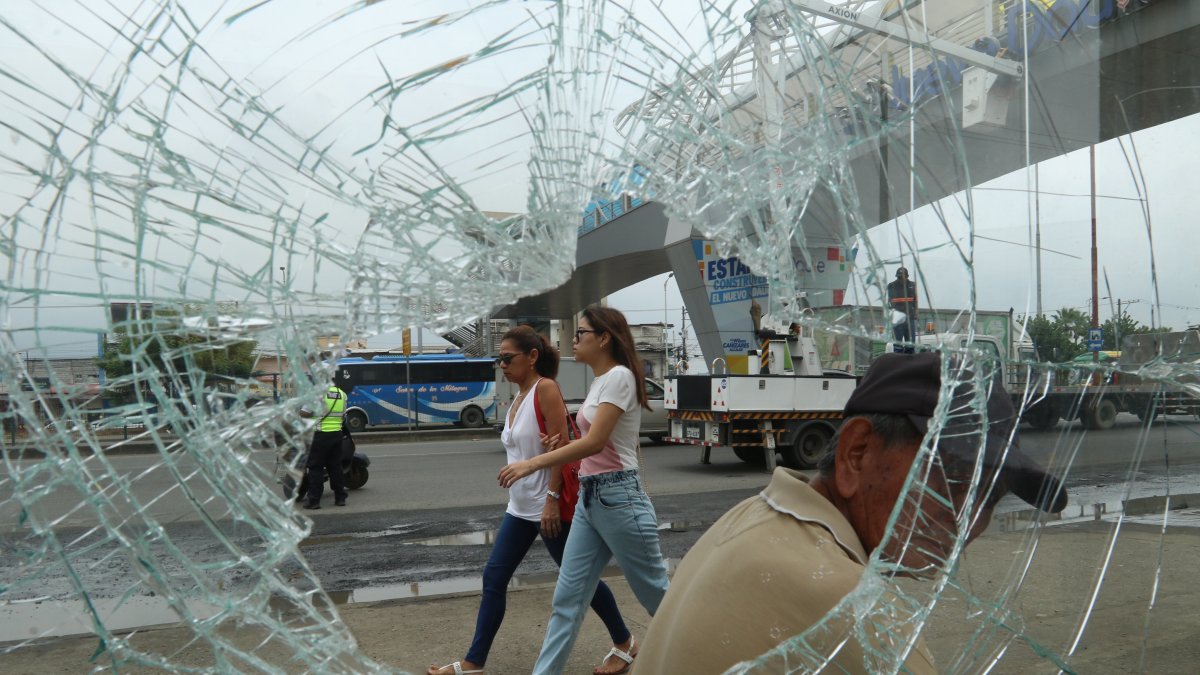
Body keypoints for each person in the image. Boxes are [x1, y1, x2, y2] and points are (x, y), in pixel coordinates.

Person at [636, 351, 1068, 673]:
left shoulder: (751, 517)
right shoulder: (851, 609)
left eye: (990, 498)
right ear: (857, 453)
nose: (969, 524)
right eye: (954, 479)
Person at [428, 325, 635, 675]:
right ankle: (474, 662)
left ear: (533, 357)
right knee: (494, 577)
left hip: (547, 507)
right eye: (500, 359)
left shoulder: (546, 389)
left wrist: (552, 499)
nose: (503, 365)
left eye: (508, 358)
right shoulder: (517, 398)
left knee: (580, 580)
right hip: (519, 509)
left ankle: (624, 641)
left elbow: (565, 447)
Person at [498, 307, 669, 675]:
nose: (573, 341)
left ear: (604, 338)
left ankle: (720, 657)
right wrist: (557, 444)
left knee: (660, 598)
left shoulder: (620, 377)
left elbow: (596, 443)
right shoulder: (600, 380)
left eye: (580, 333)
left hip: (620, 497)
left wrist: (533, 463)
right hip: (592, 499)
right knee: (567, 600)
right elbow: (593, 443)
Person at [298, 381, 348, 509]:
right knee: (336, 467)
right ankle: (340, 498)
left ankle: (314, 501)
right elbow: (343, 414)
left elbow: (304, 412)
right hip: (337, 435)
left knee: (316, 468)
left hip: (319, 435)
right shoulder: (341, 394)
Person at [888, 266, 918, 352]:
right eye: (899, 277)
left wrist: (916, 312)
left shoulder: (913, 285)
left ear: (907, 276)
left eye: (902, 277)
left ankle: (910, 362)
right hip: (897, 320)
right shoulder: (891, 285)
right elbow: (889, 303)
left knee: (910, 344)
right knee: (898, 345)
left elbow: (915, 301)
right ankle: (899, 362)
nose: (900, 279)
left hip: (910, 318)